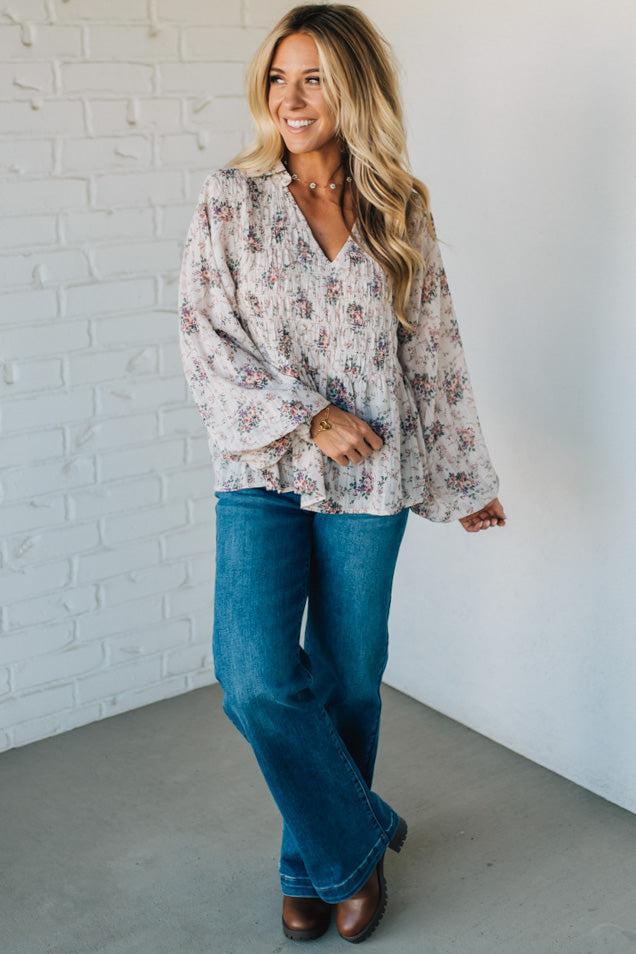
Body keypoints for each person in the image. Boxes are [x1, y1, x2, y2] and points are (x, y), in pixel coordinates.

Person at [178, 3, 507, 944]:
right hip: (262, 470)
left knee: (350, 678)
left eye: (314, 78)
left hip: (375, 481)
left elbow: (433, 351)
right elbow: (203, 340)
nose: (291, 98)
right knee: (253, 677)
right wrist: (308, 417)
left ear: (355, 89)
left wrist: (465, 476)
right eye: (279, 78)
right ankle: (360, 841)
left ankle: (315, 866)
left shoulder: (401, 205)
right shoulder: (230, 199)